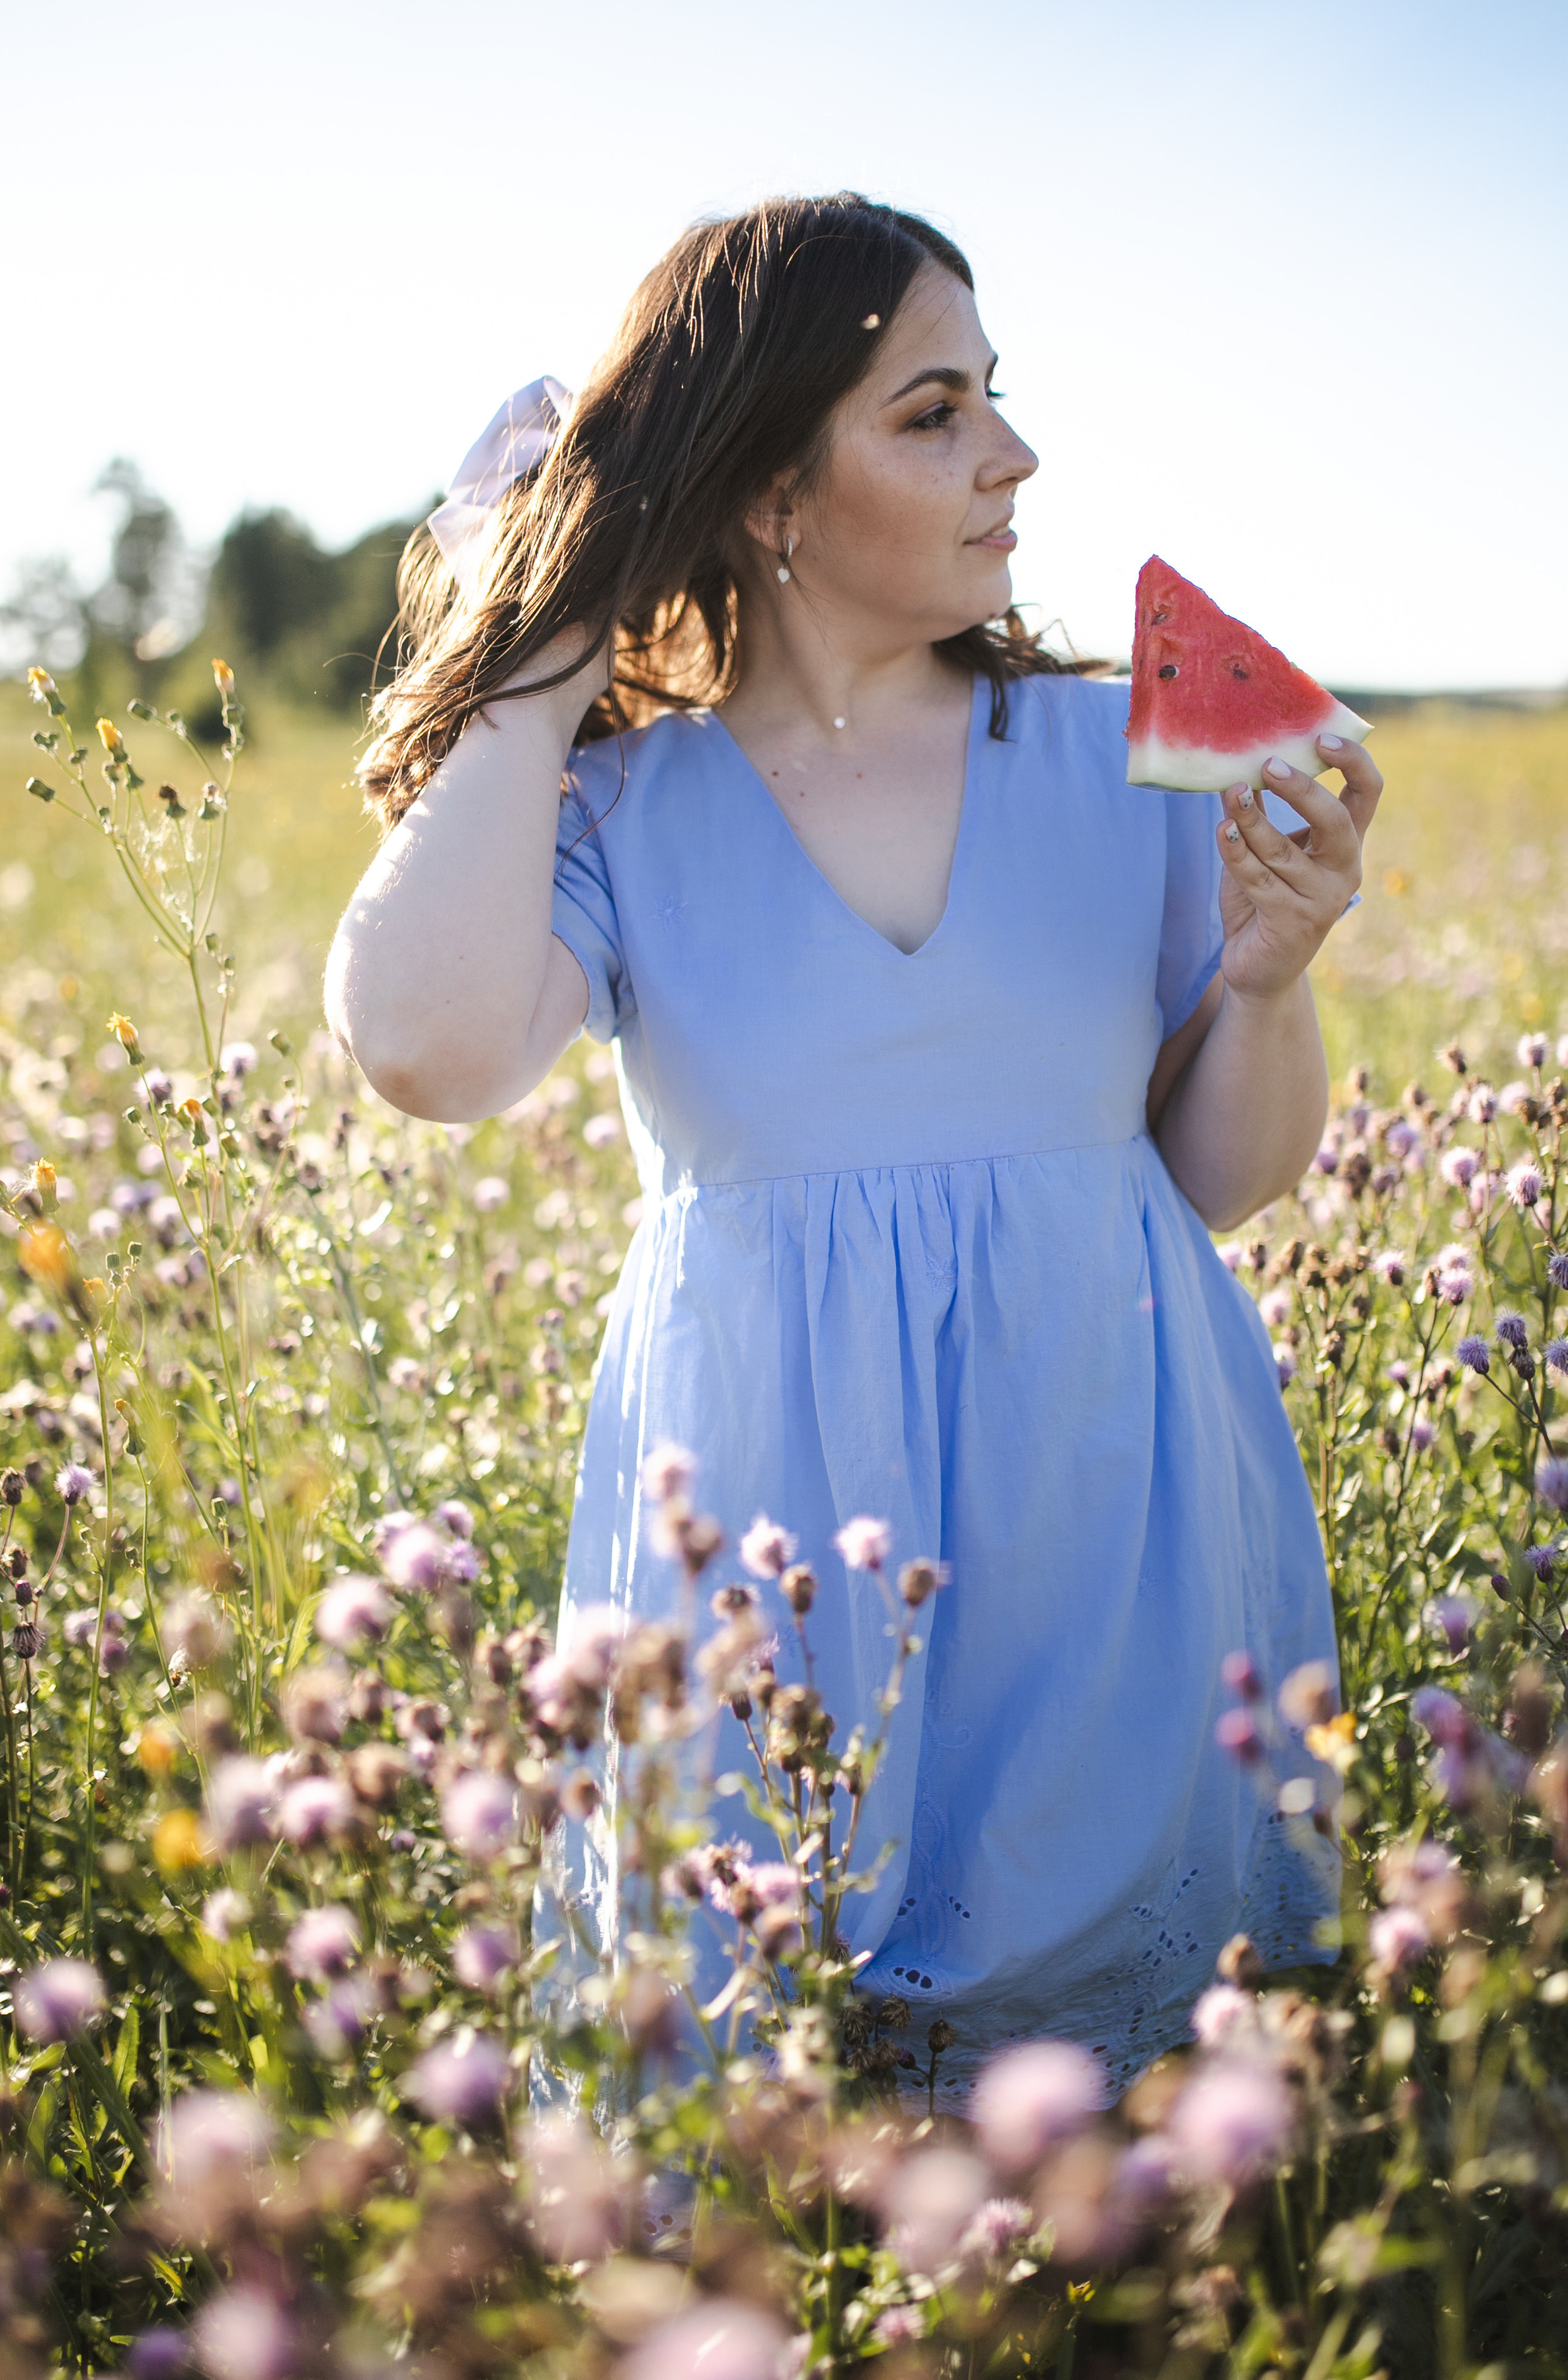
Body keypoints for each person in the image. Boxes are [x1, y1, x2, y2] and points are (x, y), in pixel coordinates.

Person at [324, 193, 1382, 2099]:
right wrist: (549, 657)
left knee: (1133, 2168)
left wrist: (1275, 977)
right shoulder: (627, 804)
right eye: (934, 411)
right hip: (766, 1556)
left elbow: (1216, 1177)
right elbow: (421, 1045)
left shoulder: (1111, 747)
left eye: (999, 398)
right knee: (771, 2118)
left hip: (1110, 1517)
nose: (1016, 455)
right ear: (772, 496)